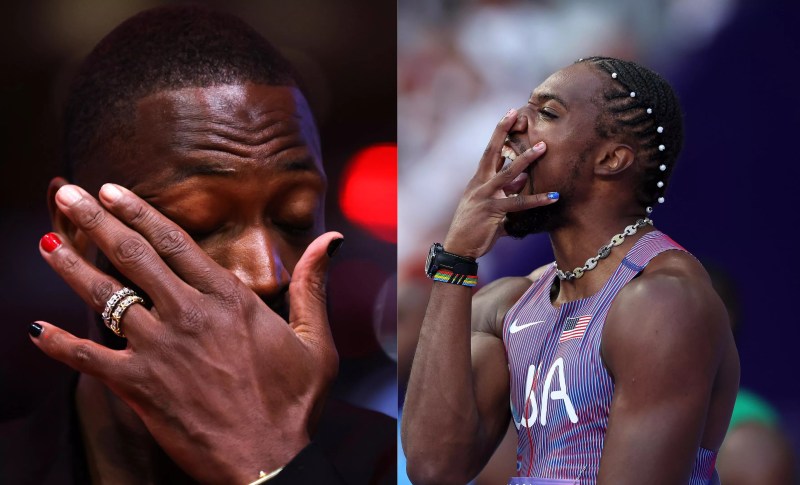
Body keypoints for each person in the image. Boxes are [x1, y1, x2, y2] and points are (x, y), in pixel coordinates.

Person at [21, 6, 394, 484]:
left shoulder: (389, 461)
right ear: (74, 227)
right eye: (196, 225)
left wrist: (271, 462)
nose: (266, 273)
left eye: (295, 217)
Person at [402, 56, 739, 484]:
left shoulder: (663, 302)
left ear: (611, 159)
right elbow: (433, 467)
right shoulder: (509, 304)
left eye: (546, 112)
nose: (513, 121)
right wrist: (455, 259)